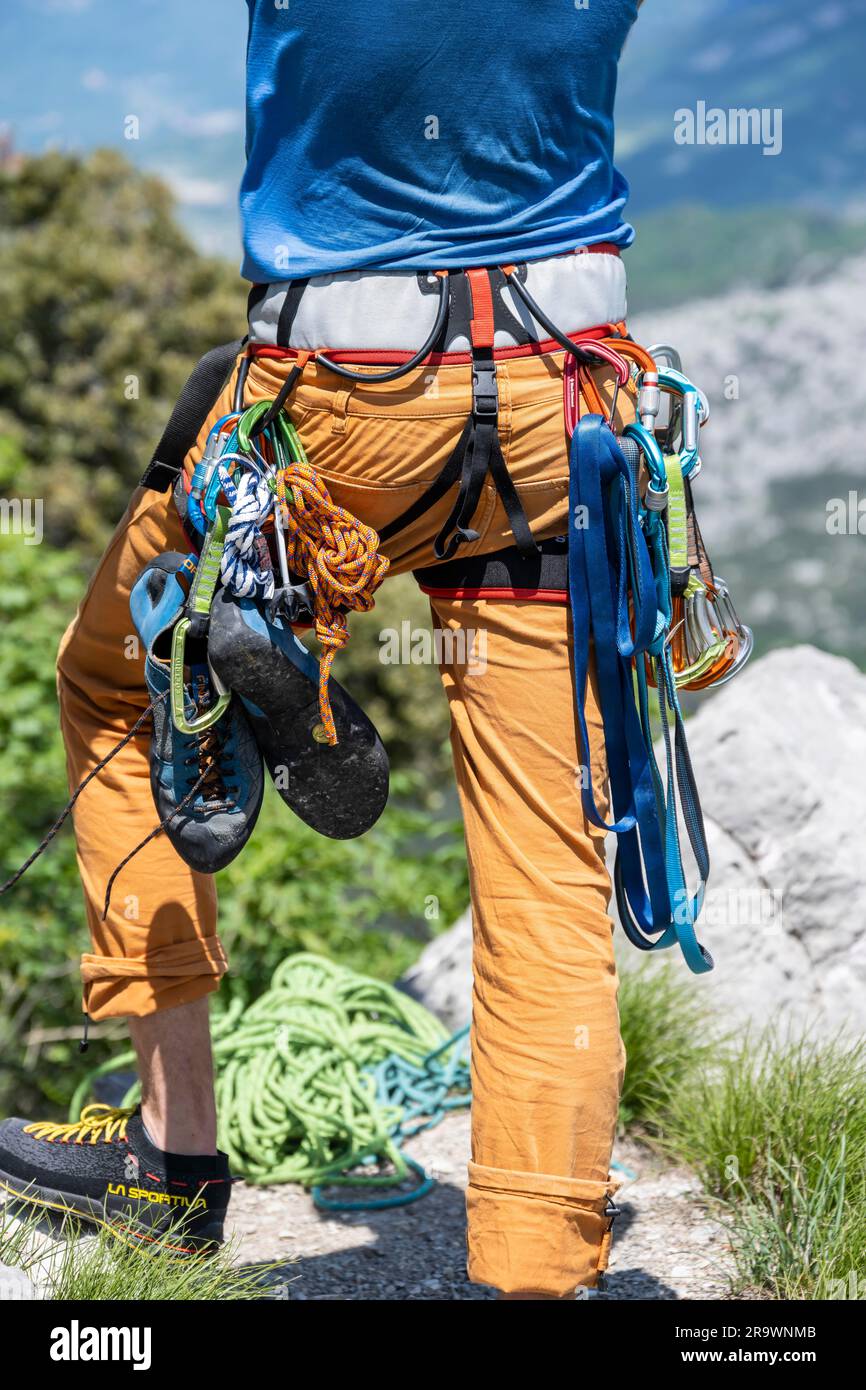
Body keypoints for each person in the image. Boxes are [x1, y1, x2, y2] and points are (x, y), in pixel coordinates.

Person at [0, 0, 646, 1298]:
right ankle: (537, 1260)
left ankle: (170, 1161)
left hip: (328, 397)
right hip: (558, 405)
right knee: (542, 856)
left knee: (120, 680)